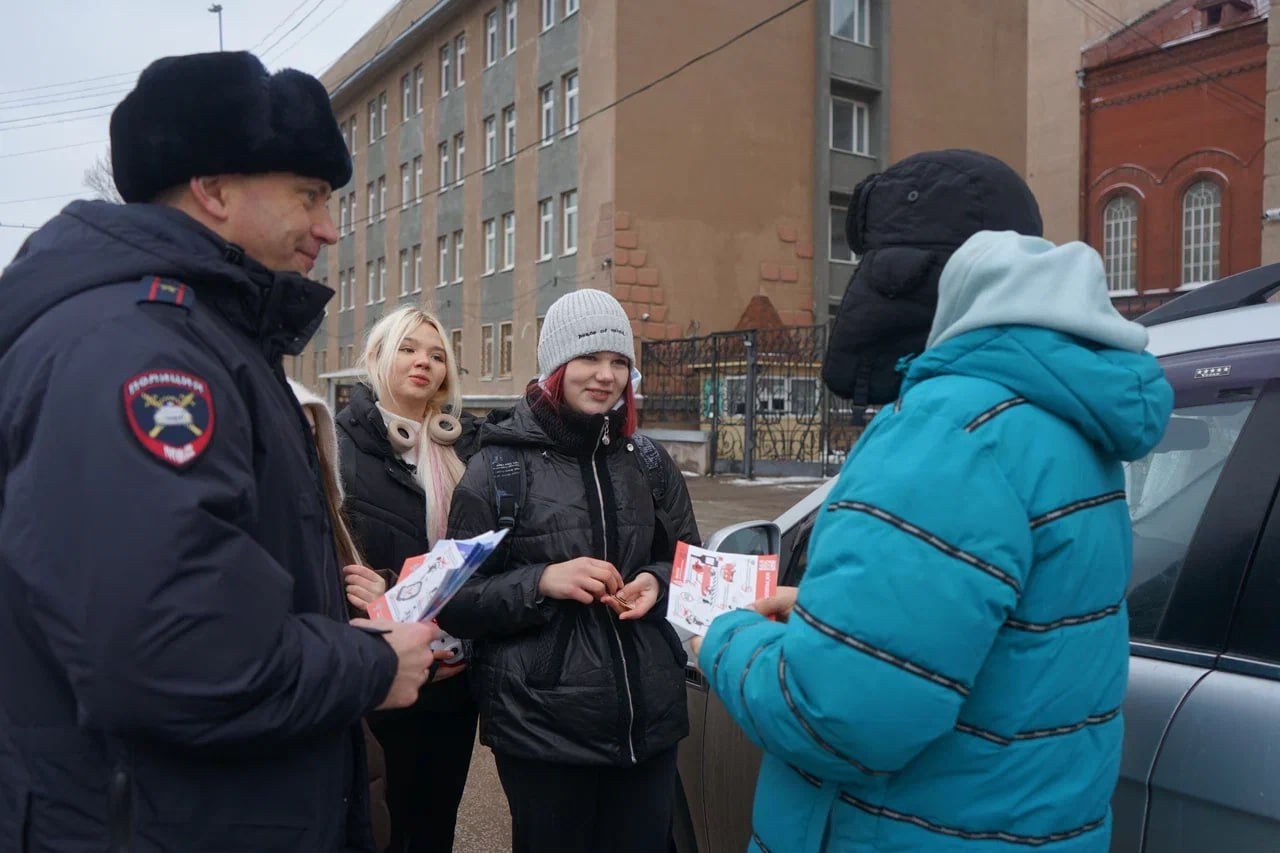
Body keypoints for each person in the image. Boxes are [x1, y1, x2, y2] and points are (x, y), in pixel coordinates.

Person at [0, 51, 437, 852]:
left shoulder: (197, 335)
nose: (328, 228)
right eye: (308, 195)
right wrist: (367, 666)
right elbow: (173, 650)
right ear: (214, 189)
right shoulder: (141, 353)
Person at [693, 150, 1174, 853]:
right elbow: (1003, 618)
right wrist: (828, 613)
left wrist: (722, 641)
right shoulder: (1061, 420)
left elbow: (837, 715)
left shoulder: (948, 432)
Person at [439, 288, 700, 853]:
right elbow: (455, 601)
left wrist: (656, 580)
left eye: (618, 361)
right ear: (556, 366)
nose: (605, 375)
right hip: (544, 730)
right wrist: (542, 581)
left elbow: (688, 562)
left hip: (648, 721)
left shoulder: (650, 461)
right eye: (588, 359)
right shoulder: (497, 468)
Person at [336, 306, 479, 853]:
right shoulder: (339, 448)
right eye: (408, 348)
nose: (424, 361)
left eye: (437, 354)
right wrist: (384, 596)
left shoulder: (463, 450)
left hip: (452, 673)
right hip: (379, 667)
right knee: (379, 825)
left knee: (435, 823)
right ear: (376, 358)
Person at [290, 378, 394, 853]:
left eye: (315, 437)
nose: (307, 448)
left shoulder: (328, 520)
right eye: (293, 433)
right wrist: (377, 663)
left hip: (349, 740)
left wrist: (381, 596)